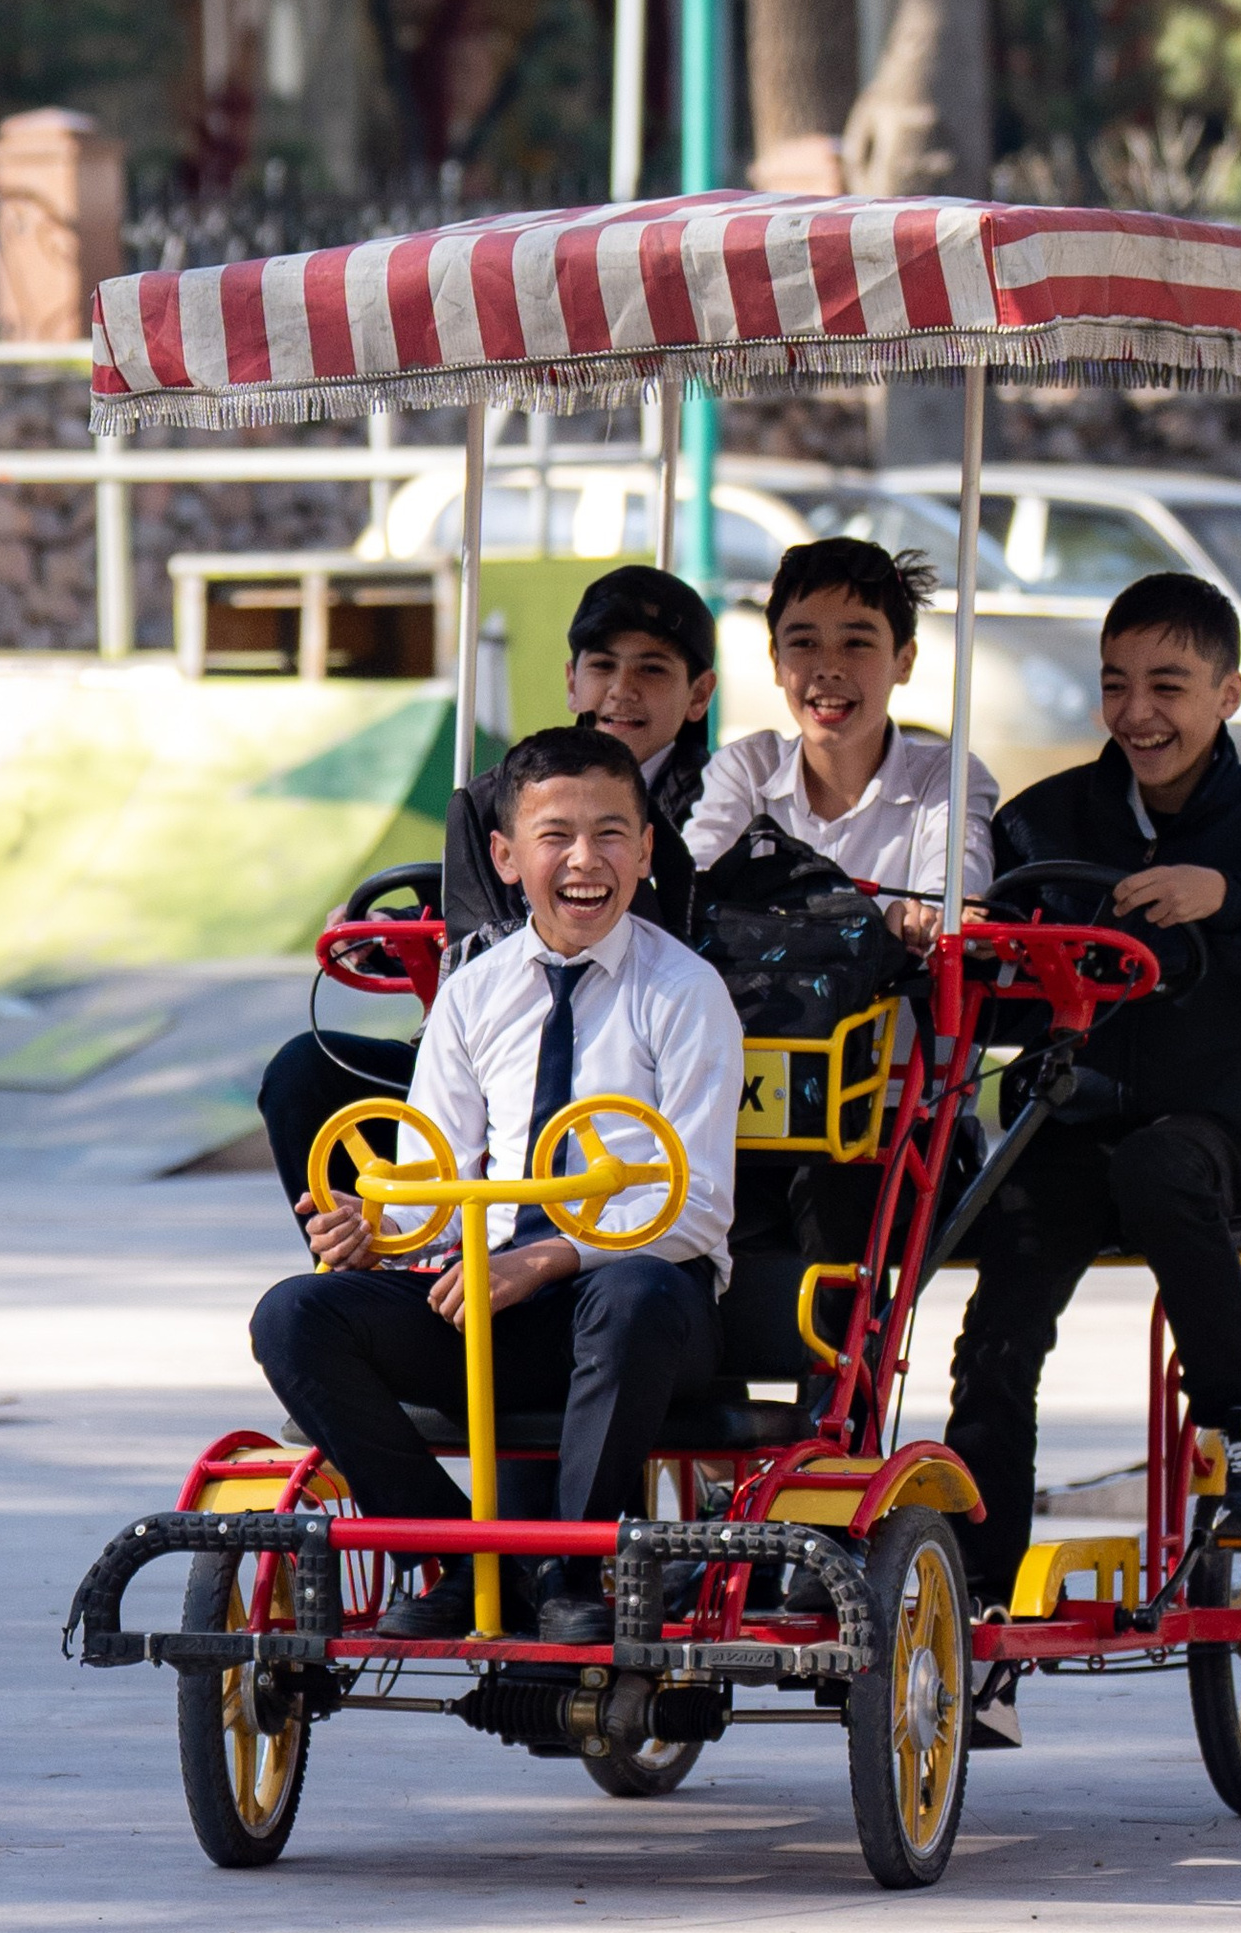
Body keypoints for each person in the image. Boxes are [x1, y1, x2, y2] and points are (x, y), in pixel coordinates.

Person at [251, 725, 743, 1647]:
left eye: (609, 834)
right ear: (507, 858)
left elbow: (698, 1206)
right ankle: (454, 1560)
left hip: (635, 1315)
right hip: (493, 1301)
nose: (584, 860)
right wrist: (378, 1225)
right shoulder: (475, 995)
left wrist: (546, 1260)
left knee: (633, 1290)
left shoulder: (685, 993)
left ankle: (572, 1568)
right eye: (555, 836)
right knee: (294, 1317)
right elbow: (434, 1174)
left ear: (643, 851)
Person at [944, 568, 1241, 1644]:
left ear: (1228, 693)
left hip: (1219, 1121)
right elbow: (992, 1013)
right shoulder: (1043, 819)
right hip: (1070, 1118)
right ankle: (970, 1593)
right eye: (1115, 684)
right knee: (1002, 1300)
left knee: (1159, 1166)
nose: (1136, 712)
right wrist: (996, 948)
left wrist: (1230, 900)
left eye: (1166, 685)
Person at [255, 565, 720, 1209]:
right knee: (305, 1072)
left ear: (698, 695)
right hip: (501, 1054)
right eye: (603, 667)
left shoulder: (720, 807)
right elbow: (480, 938)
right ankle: (359, 1256)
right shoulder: (493, 799)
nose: (621, 692)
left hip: (642, 1064)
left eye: (651, 670)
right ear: (571, 680)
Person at [682, 537, 996, 947]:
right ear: (777, 662)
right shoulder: (746, 768)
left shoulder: (949, 777)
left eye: (856, 643)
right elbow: (689, 890)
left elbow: (952, 886)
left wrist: (931, 915)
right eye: (804, 643)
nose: (828, 668)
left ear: (904, 660)